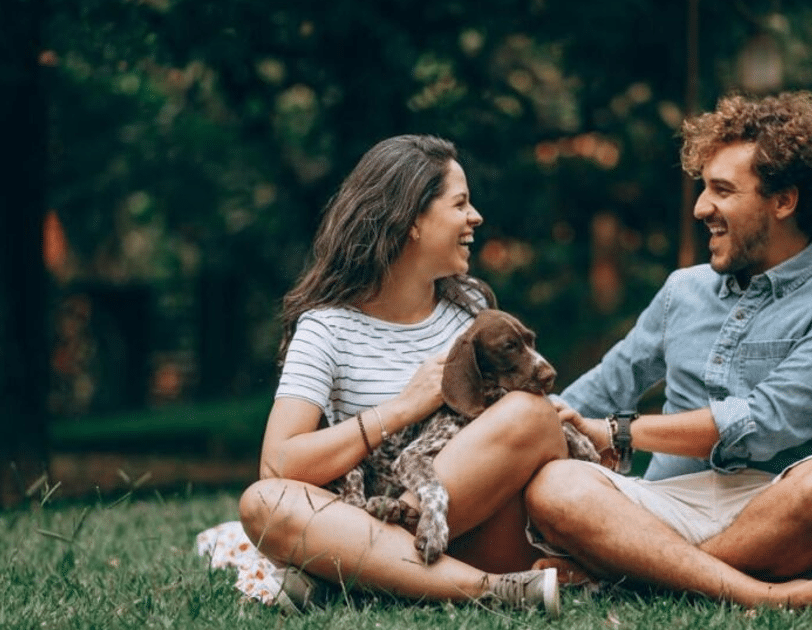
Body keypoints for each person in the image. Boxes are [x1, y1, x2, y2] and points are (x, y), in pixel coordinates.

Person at [523, 91, 812, 611]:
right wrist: (527, 423)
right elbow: (608, 384)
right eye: (703, 189)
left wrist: (621, 432)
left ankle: (627, 570)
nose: (701, 208)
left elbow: (764, 422)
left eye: (721, 190)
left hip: (777, 505)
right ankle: (763, 591)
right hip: (664, 505)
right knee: (554, 483)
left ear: (784, 201)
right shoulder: (683, 291)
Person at [200, 134, 564, 615]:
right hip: (370, 522)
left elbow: (511, 432)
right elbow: (279, 464)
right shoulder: (326, 328)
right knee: (264, 503)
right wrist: (401, 409)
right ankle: (489, 590)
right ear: (412, 221)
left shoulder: (471, 308)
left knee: (528, 414)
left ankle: (359, 572)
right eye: (460, 204)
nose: (475, 217)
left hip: (473, 526)